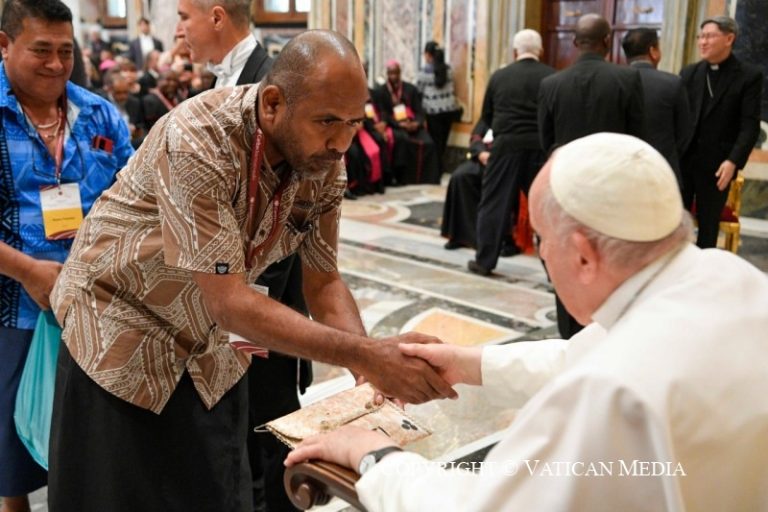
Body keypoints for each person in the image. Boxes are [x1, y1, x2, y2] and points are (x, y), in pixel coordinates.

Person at [47, 30, 456, 512]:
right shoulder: (199, 139)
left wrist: (366, 370)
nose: (341, 142)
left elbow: (323, 281)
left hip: (209, 348)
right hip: (121, 332)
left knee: (217, 491)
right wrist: (369, 354)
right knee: (122, 496)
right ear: (273, 104)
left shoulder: (324, 162)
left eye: (353, 123)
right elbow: (229, 302)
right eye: (327, 121)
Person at [285, 132, 768, 511]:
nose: (542, 256)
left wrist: (374, 456)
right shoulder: (727, 275)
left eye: (540, 241)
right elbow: (589, 353)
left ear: (583, 255)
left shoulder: (608, 391)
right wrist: (467, 363)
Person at [0, 1, 133, 511]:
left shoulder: (99, 114)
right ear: (5, 45)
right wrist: (28, 270)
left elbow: (134, 195)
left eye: (65, 51)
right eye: (42, 51)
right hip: (14, 310)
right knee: (12, 450)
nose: (56, 64)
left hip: (95, 307)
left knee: (90, 444)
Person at [176, 1, 307, 509]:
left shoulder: (273, 81)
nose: (179, 29)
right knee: (234, 425)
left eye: (184, 16)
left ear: (216, 17)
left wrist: (244, 308)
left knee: (269, 423)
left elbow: (287, 207)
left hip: (262, 294)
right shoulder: (213, 86)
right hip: (226, 293)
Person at [538, 13, 646, 338]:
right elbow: (636, 138)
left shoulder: (551, 84)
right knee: (609, 264)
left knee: (568, 260)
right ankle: (604, 335)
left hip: (566, 190)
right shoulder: (627, 79)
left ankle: (569, 336)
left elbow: (546, 141)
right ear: (607, 41)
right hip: (612, 191)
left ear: (575, 42)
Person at [468, 29, 554, 276]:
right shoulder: (551, 76)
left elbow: (487, 116)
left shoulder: (499, 77)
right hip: (539, 148)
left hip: (505, 146)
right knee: (544, 209)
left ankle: (484, 262)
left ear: (515, 52)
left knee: (494, 204)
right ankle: (553, 270)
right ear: (540, 51)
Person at [679, 15, 763, 249]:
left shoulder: (748, 76)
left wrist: (733, 161)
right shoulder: (689, 73)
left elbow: (750, 125)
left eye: (709, 36)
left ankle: (705, 268)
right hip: (685, 162)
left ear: (729, 39)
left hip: (718, 167)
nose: (703, 42)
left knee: (708, 229)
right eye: (700, 36)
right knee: (677, 225)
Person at [622, 27, 692, 188]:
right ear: (653, 51)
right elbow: (685, 134)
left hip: (623, 171)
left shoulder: (613, 82)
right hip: (663, 171)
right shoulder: (673, 83)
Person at [373, 59, 440, 185]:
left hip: (413, 125)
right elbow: (384, 114)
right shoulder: (381, 92)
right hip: (395, 125)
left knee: (429, 143)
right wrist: (399, 124)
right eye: (391, 73)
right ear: (387, 74)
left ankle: (427, 179)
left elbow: (419, 111)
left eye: (396, 73)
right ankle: (402, 178)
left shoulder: (411, 89)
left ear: (400, 73)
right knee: (402, 140)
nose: (394, 76)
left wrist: (416, 123)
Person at [441, 119, 490, 250]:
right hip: (481, 158)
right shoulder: (489, 115)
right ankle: (460, 236)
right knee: (459, 177)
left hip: (503, 159)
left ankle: (499, 239)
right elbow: (476, 136)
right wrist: (481, 153)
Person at [416, 41, 460, 174]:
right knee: (443, 142)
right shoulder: (448, 70)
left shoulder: (424, 72)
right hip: (449, 110)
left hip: (433, 111)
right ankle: (440, 168)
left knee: (435, 142)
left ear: (428, 55)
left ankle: (435, 172)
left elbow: (418, 90)